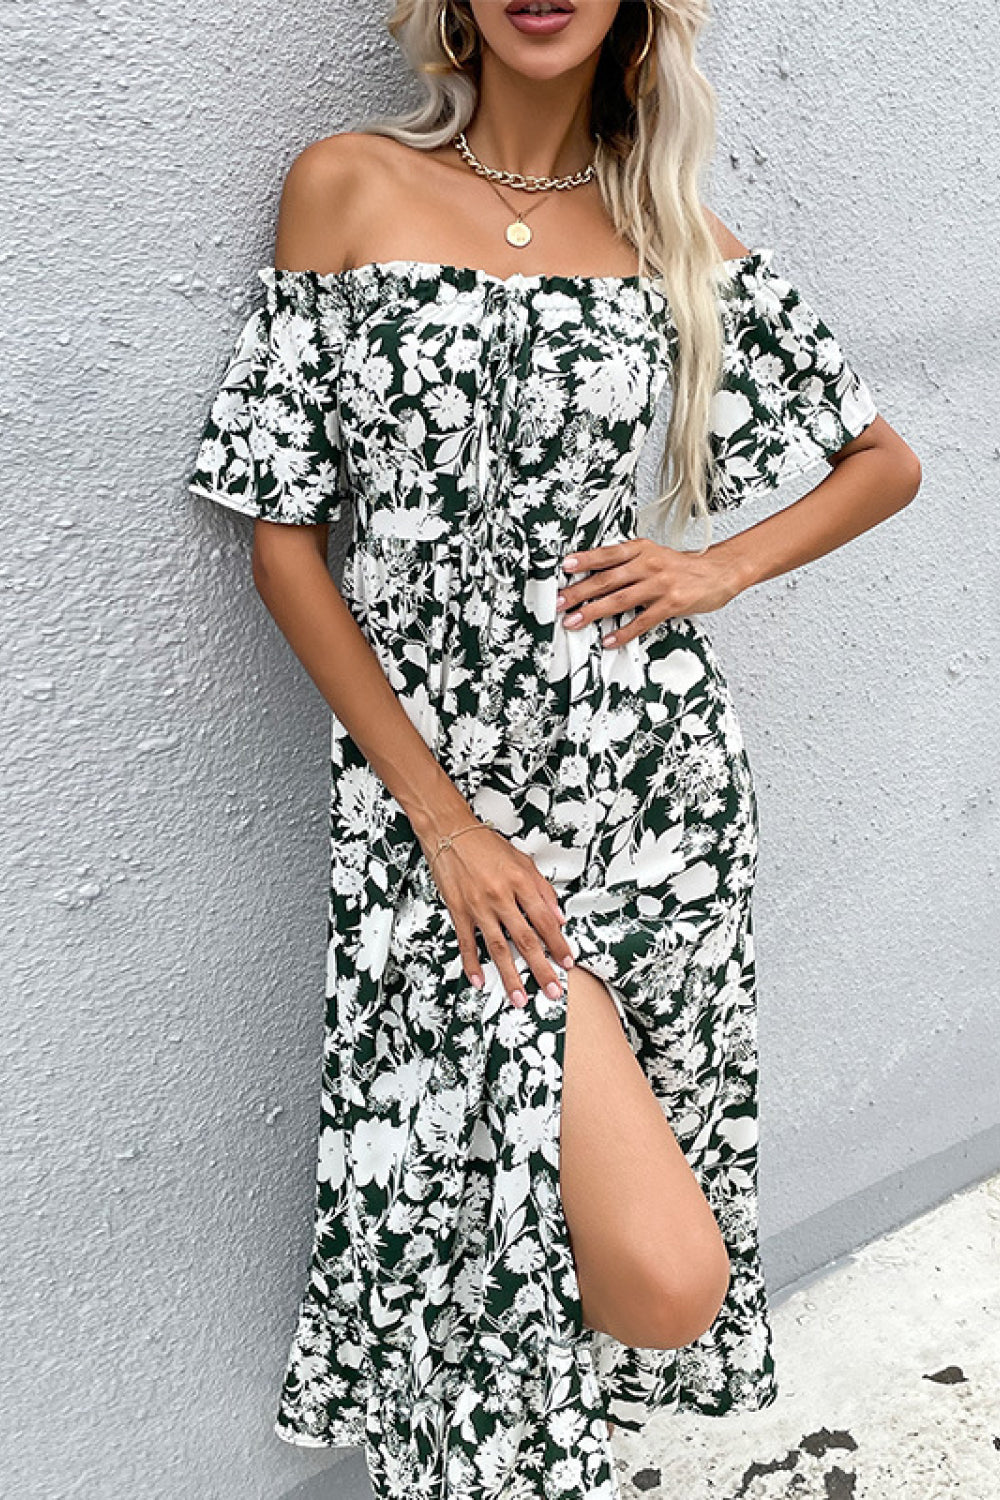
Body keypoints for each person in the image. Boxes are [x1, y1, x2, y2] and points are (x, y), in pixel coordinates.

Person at [188, 2, 921, 1496]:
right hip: (437, 807)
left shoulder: (667, 238)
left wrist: (717, 567)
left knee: (584, 1236)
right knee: (626, 1252)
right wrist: (446, 824)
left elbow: (882, 461)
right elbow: (283, 541)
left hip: (654, 795)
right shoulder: (346, 185)